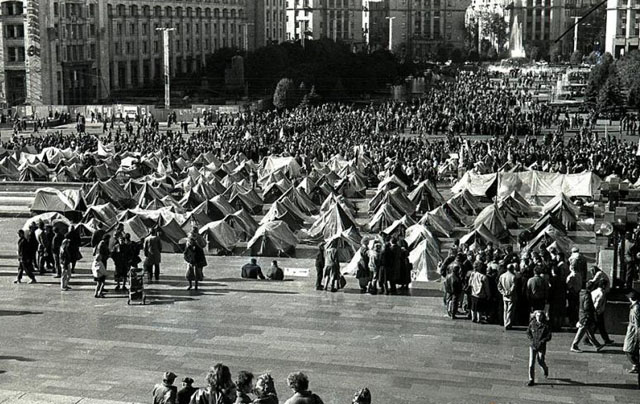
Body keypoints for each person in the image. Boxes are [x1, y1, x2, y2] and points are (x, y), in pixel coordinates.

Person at [570, 282, 604, 353]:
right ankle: (574, 345)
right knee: (582, 329)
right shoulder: (587, 295)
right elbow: (587, 306)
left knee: (588, 330)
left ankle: (597, 345)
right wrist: (592, 311)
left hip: (581, 313)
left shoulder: (581, 293)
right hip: (586, 315)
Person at [526, 310, 551, 386]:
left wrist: (542, 341)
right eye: (537, 316)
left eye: (540, 316)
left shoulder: (545, 326)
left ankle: (545, 369)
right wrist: (531, 339)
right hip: (533, 345)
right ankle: (531, 379)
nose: (538, 317)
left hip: (541, 347)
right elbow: (528, 332)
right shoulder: (532, 323)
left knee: (540, 361)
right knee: (531, 363)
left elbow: (549, 336)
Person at [623, 289, 640, 380]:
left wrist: (637, 335)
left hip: (634, 331)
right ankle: (636, 365)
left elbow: (638, 323)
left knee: (628, 349)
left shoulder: (636, 308)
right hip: (632, 329)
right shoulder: (635, 306)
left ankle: (636, 364)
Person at [591, 278, 614, 345]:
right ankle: (587, 339)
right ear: (604, 286)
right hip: (598, 312)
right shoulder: (601, 293)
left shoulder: (594, 291)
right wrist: (597, 311)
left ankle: (606, 339)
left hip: (594, 311)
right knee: (598, 326)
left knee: (599, 326)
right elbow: (598, 303)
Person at [498, 263, 518, 330]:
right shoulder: (513, 276)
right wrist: (509, 292)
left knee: (505, 310)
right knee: (510, 310)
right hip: (511, 296)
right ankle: (508, 323)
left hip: (504, 295)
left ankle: (505, 322)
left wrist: (503, 292)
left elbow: (499, 286)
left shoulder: (502, 276)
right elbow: (514, 286)